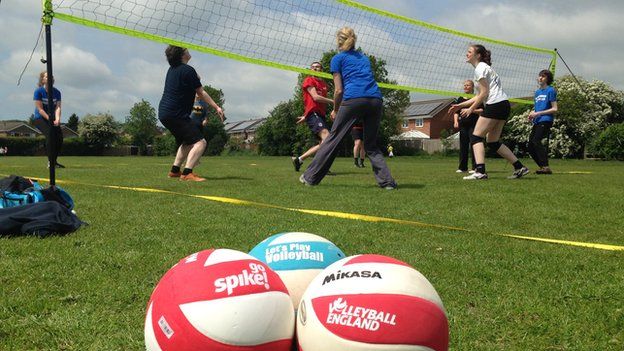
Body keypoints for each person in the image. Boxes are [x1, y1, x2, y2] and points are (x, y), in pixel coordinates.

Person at [300, 27, 396, 189]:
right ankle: (387, 183)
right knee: (371, 144)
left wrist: (335, 109)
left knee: (333, 139)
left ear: (339, 41)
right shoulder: (364, 58)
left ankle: (310, 177)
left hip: (354, 99)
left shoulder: (337, 59)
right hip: (376, 99)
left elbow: (338, 90)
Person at [448, 44, 529, 180]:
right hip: (503, 105)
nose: (466, 54)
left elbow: (484, 94)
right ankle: (519, 167)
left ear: (478, 55)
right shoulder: (485, 68)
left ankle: (480, 171)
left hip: (495, 104)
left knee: (476, 137)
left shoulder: (480, 68)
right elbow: (479, 95)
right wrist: (459, 106)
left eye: (469, 52)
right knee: (492, 142)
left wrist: (471, 109)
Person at [158, 45, 224, 182]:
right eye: (186, 49)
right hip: (176, 114)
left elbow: (189, 84)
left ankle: (175, 171)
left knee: (187, 142)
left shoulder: (171, 70)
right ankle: (187, 173)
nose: (188, 50)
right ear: (182, 54)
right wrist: (216, 107)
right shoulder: (188, 70)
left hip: (164, 113)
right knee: (201, 143)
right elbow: (201, 92)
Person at [291, 61, 333, 172]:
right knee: (327, 138)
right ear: (310, 70)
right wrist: (334, 102)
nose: (315, 69)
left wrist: (305, 116)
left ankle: (299, 160)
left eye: (318, 67)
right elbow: (315, 98)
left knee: (324, 143)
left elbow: (316, 103)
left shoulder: (324, 84)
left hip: (319, 115)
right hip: (314, 114)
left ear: (321, 70)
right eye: (313, 67)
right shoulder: (309, 80)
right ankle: (320, 166)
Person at [528, 69, 557, 174]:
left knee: (536, 141)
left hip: (546, 120)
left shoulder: (551, 90)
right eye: (540, 76)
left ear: (548, 79)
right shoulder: (537, 92)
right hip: (537, 120)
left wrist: (538, 114)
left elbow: (555, 109)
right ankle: (543, 167)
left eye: (543, 76)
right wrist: (532, 114)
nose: (540, 78)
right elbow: (537, 109)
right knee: (530, 146)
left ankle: (545, 166)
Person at [33, 71, 65, 168]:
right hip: (40, 118)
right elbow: (40, 109)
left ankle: (54, 162)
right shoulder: (38, 91)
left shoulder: (57, 92)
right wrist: (50, 119)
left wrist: (58, 119)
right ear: (43, 79)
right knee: (50, 134)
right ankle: (50, 162)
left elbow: (58, 107)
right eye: (47, 77)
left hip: (52, 118)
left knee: (59, 138)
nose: (50, 78)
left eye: (51, 76)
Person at [453, 80, 482, 173]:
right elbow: (456, 112)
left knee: (474, 145)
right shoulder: (460, 99)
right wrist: (455, 121)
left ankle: (475, 167)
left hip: (474, 125)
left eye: (468, 85)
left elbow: (482, 110)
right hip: (463, 126)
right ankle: (462, 168)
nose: (465, 87)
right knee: (463, 147)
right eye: (464, 85)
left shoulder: (477, 98)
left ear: (472, 87)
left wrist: (470, 110)